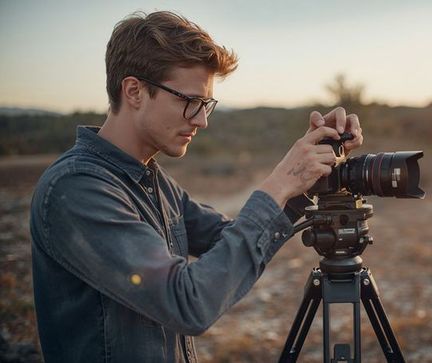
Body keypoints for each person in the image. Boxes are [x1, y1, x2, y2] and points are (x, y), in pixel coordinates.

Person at [29, 10, 363, 363]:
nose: (202, 121)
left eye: (207, 105)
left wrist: (305, 177)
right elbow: (188, 303)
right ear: (134, 91)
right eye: (190, 102)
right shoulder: (76, 189)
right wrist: (279, 183)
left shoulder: (152, 181)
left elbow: (228, 239)